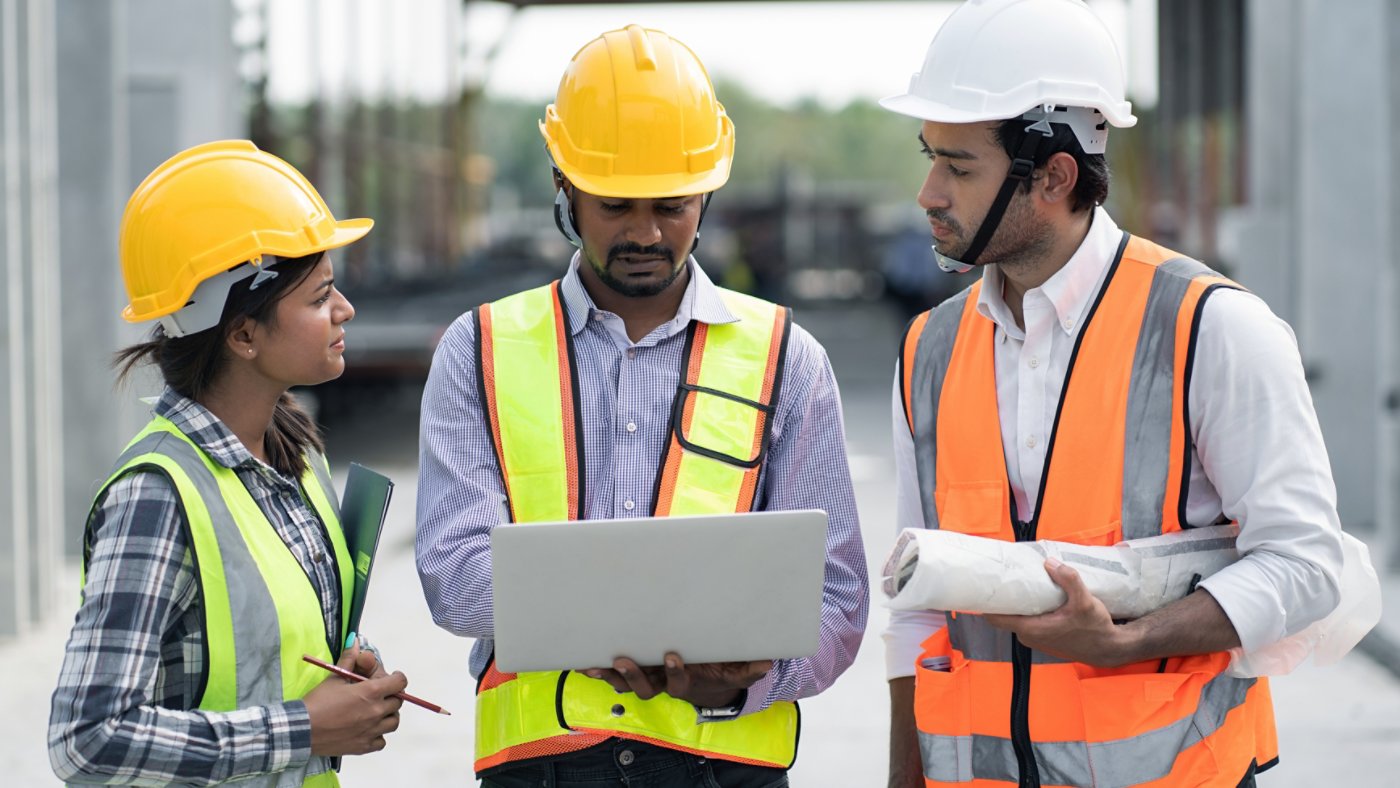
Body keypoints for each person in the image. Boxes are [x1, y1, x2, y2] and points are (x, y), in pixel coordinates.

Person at [879, 1, 1344, 786]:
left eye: (959, 167)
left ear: (1055, 175)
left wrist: (1130, 641)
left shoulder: (1211, 328)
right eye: (932, 158)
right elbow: (915, 603)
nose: (929, 192)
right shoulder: (930, 349)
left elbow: (1307, 566)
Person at [415, 25, 868, 788]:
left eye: (673, 206)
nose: (646, 233)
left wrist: (735, 682)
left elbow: (837, 598)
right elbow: (452, 572)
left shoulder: (788, 359)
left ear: (707, 196)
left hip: (725, 767)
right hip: (543, 771)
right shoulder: (480, 348)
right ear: (564, 187)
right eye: (615, 205)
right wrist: (601, 623)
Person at [48, 140, 409, 786]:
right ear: (243, 334)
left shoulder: (296, 457)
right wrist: (303, 727)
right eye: (320, 295)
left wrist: (348, 676)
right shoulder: (157, 496)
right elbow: (87, 737)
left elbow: (269, 653)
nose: (344, 310)